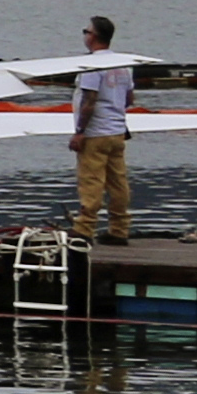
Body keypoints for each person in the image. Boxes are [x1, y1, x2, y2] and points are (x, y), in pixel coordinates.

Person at [70, 16, 139, 242]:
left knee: (91, 181)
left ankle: (84, 228)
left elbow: (89, 101)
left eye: (86, 31)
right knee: (118, 182)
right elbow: (129, 98)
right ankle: (119, 229)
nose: (85, 35)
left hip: (95, 133)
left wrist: (80, 131)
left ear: (94, 36)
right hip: (117, 131)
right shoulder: (123, 65)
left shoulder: (92, 65)